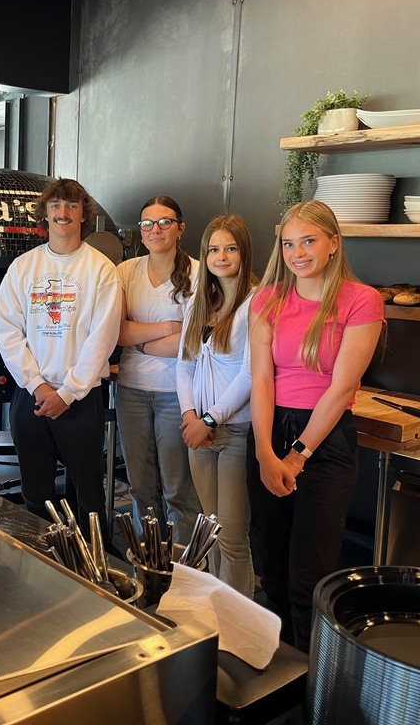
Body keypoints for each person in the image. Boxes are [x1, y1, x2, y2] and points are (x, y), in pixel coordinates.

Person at [247, 200, 384, 650]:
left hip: (324, 439)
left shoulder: (361, 300)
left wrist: (296, 456)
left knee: (310, 572)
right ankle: (276, 663)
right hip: (269, 428)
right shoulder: (267, 299)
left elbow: (341, 389)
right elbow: (261, 379)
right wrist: (265, 452)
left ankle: (310, 671)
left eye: (308, 241)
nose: (297, 253)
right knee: (271, 562)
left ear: (333, 244)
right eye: (289, 244)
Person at [0, 178, 122, 536]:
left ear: (83, 215)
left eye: (71, 205)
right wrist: (37, 385)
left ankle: (92, 561)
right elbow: (7, 330)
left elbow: (103, 338)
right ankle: (42, 556)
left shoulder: (101, 270)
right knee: (36, 493)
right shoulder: (23, 267)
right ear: (45, 214)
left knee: (87, 495)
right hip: (31, 396)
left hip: (80, 398)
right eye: (55, 205)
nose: (63, 212)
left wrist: (67, 393)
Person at [176, 214, 259, 598]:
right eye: (213, 249)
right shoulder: (199, 300)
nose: (221, 257)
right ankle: (212, 609)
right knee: (209, 529)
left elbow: (250, 375)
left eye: (230, 248)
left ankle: (238, 619)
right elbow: (184, 364)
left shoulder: (255, 302)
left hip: (235, 431)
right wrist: (190, 415)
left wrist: (209, 418)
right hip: (199, 431)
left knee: (232, 537)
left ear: (244, 253)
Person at [115, 195, 201, 545]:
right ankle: (147, 564)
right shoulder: (125, 271)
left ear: (180, 229)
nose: (156, 229)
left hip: (178, 394)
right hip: (130, 390)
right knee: (140, 487)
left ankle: (182, 567)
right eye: (148, 223)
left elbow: (192, 342)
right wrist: (167, 328)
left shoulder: (198, 272)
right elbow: (117, 332)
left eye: (165, 222)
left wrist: (140, 339)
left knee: (177, 489)